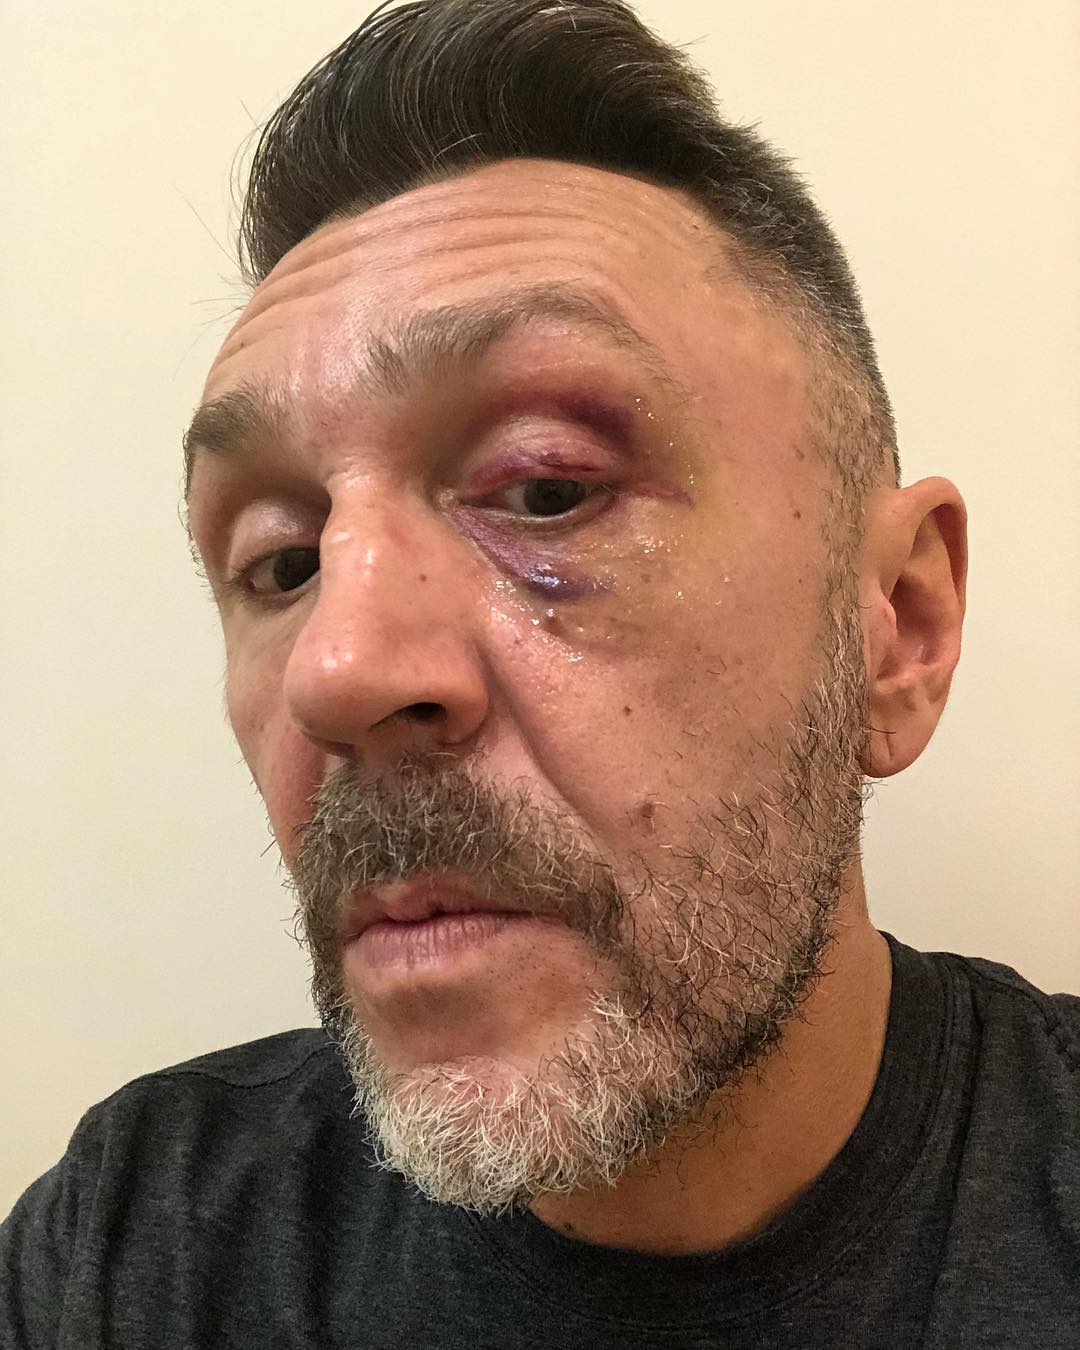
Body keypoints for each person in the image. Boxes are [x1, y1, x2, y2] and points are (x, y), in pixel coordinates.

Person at [3, 0, 1077, 1345]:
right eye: (282, 562)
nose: (338, 669)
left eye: (548, 490)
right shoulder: (134, 1247)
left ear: (900, 626)